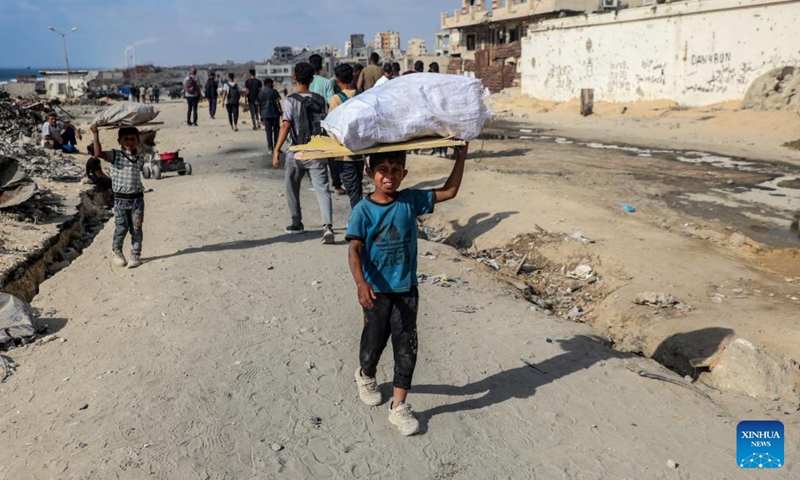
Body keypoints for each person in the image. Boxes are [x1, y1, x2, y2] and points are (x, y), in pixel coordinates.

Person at [346, 145, 469, 436]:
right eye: (382, 170)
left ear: (404, 174)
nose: (389, 176)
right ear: (369, 173)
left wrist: (461, 155)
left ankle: (398, 406)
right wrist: (361, 283)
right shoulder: (363, 210)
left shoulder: (410, 201)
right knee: (373, 344)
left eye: (396, 170)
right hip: (375, 291)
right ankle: (366, 374)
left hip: (406, 290)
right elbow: (354, 249)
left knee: (406, 348)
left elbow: (449, 191)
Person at [271, 62, 334, 244]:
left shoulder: (290, 101)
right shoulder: (320, 100)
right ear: (312, 79)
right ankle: (327, 226)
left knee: (291, 186)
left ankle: (297, 223)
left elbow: (286, 125)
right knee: (322, 190)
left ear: (294, 78)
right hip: (318, 150)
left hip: (297, 152)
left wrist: (277, 150)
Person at [89, 123, 146, 269]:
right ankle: (117, 250)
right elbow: (97, 154)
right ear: (119, 141)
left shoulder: (140, 158)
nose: (129, 142)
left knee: (136, 228)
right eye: (125, 139)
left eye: (133, 139)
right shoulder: (115, 155)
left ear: (138, 141)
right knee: (121, 228)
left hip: (137, 201)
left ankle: (135, 255)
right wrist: (96, 134)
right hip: (121, 201)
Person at [328, 64, 365, 210]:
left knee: (352, 189)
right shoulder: (362, 95)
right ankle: (360, 216)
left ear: (337, 80)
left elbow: (332, 126)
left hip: (344, 153)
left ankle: (358, 220)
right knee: (358, 186)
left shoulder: (336, 99)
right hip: (360, 151)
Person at [308, 54, 342, 195]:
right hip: (323, 121)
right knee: (330, 154)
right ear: (321, 66)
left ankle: (316, 183)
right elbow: (330, 103)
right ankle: (337, 185)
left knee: (312, 153)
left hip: (309, 122)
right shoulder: (327, 83)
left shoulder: (306, 82)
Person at [257, 77, 282, 154]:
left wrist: (260, 115)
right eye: (272, 83)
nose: (273, 85)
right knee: (276, 130)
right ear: (269, 83)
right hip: (274, 114)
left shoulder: (260, 93)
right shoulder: (274, 92)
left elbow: (258, 105)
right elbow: (277, 103)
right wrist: (281, 111)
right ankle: (277, 147)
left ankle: (270, 148)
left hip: (265, 115)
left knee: (268, 131)